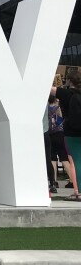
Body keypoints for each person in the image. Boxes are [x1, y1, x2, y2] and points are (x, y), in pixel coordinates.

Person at [52, 72, 81, 202]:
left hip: (72, 132)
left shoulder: (67, 94)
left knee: (76, 162)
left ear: (69, 81)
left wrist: (57, 80)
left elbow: (49, 89)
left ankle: (78, 192)